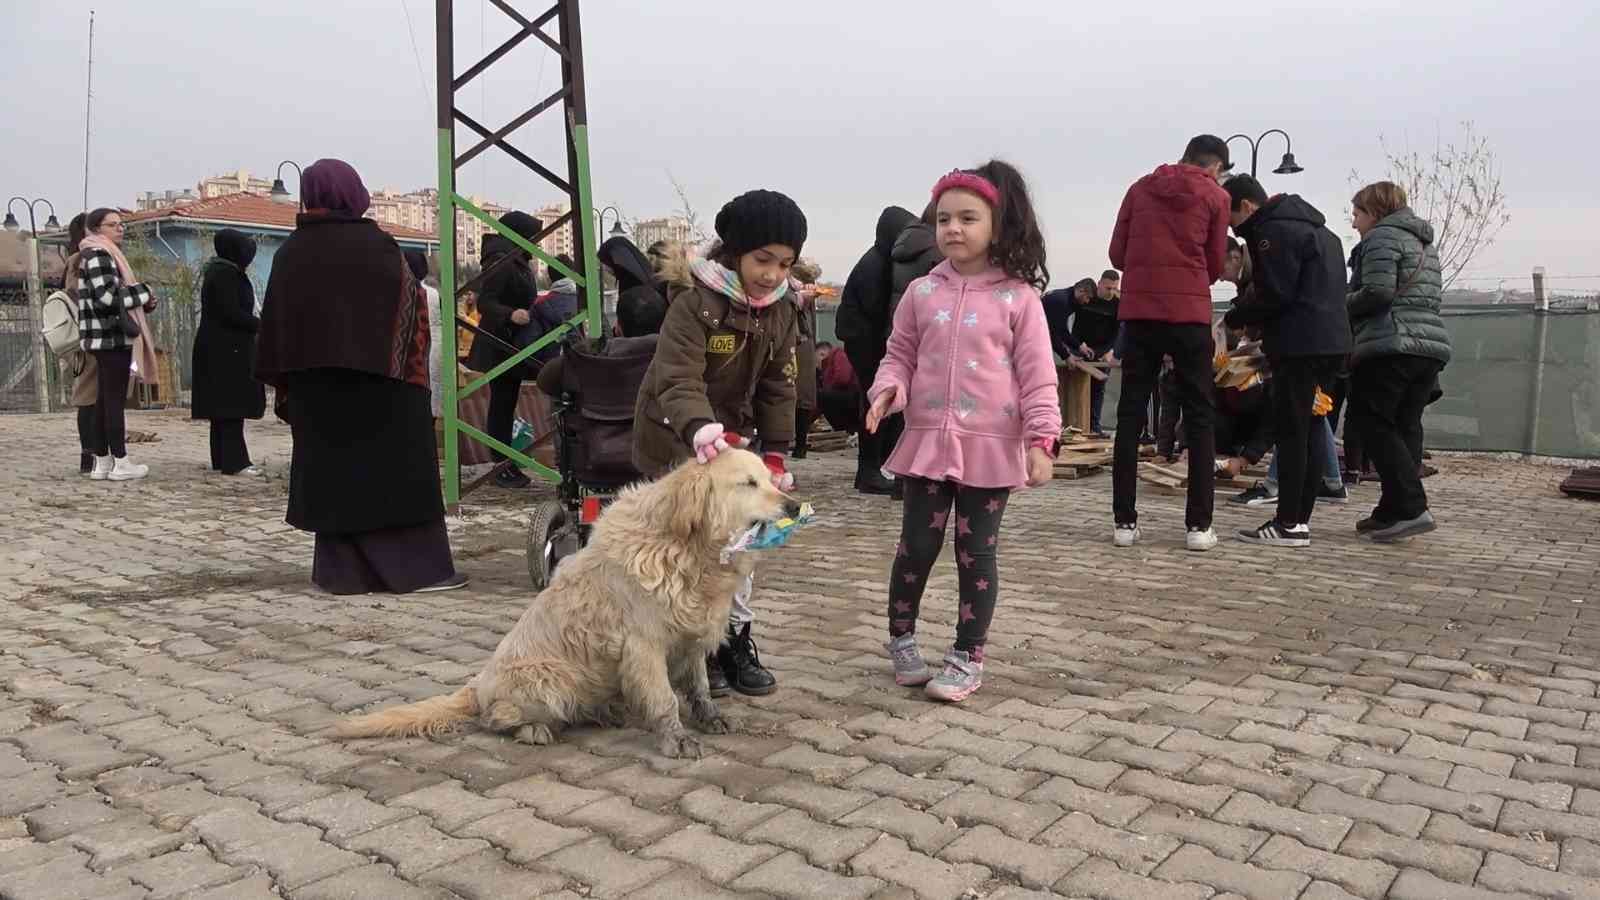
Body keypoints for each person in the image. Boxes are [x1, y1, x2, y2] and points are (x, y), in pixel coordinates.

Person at [866, 161, 1060, 703]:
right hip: (927, 441)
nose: (953, 228)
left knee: (977, 553)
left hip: (992, 450)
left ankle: (967, 655)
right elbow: (898, 355)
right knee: (915, 548)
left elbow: (1039, 376)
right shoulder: (921, 293)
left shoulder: (1020, 298)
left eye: (968, 218)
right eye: (944, 218)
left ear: (996, 224)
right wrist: (888, 390)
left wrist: (1042, 441)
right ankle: (901, 639)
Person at [256, 158, 466, 595]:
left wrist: (296, 380)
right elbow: (413, 319)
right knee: (395, 478)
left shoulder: (291, 253)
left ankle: (343, 574)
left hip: (318, 392)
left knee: (336, 478)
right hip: (385, 389)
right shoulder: (378, 247)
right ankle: (415, 572)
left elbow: (275, 327)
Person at [633, 188, 806, 698]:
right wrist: (701, 431)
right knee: (684, 553)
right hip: (675, 438)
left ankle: (732, 641)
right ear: (735, 253)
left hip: (734, 449)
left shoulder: (781, 309)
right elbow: (677, 379)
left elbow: (780, 385)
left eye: (785, 262)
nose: (773, 273)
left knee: (739, 549)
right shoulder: (693, 304)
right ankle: (682, 650)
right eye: (762, 259)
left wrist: (775, 451)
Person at [1107, 135, 1233, 550]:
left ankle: (1124, 523)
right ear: (1215, 166)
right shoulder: (1216, 196)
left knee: (1130, 414)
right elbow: (1215, 264)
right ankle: (1199, 526)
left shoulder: (1140, 188)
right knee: (1199, 415)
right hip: (1189, 316)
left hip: (1140, 312)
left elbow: (1117, 254)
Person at [1222, 176, 1352, 547]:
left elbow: (1275, 292)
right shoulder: (1322, 233)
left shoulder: (1272, 232)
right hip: (1331, 344)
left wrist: (1235, 317)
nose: (1235, 229)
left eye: (1233, 220)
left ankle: (1288, 522)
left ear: (1247, 206)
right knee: (1311, 429)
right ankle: (1298, 520)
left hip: (1299, 348)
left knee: (1292, 433)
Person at [1347, 181, 1451, 542]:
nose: (1354, 221)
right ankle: (1391, 510)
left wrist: (1336, 306)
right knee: (1406, 424)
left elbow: (1378, 292)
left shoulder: (1381, 238)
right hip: (1428, 347)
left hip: (1391, 344)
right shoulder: (1424, 243)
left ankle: (1410, 506)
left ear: (1374, 212)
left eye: (1358, 213)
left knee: (1370, 420)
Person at [838, 206, 918, 494]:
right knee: (878, 405)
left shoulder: (883, 261)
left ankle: (879, 468)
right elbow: (878, 313)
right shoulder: (875, 266)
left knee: (887, 407)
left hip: (869, 342)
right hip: (866, 344)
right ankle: (869, 471)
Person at [77, 207, 160, 482]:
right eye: (113, 225)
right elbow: (108, 298)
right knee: (113, 401)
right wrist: (144, 290)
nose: (120, 228)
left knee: (104, 401)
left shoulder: (100, 253)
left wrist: (140, 301)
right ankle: (121, 461)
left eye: (121, 224)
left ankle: (102, 461)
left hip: (106, 336)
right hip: (110, 337)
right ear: (97, 229)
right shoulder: (100, 254)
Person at [465, 211, 543, 489]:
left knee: (506, 403)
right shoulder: (503, 262)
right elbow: (486, 303)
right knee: (501, 405)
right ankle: (501, 465)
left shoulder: (517, 261)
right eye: (534, 237)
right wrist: (511, 314)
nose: (539, 243)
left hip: (511, 344)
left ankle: (506, 462)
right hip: (500, 344)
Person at [191, 229, 267, 475]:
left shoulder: (219, 271)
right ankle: (236, 461)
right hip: (227, 349)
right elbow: (231, 312)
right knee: (231, 404)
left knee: (222, 407)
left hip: (220, 346)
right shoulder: (225, 275)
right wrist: (262, 325)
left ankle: (221, 458)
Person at [58, 214, 101, 475]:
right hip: (87, 337)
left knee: (95, 398)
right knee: (88, 397)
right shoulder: (79, 260)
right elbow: (78, 294)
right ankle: (91, 455)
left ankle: (96, 453)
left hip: (91, 335)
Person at [1070, 270, 1121, 436]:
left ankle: (1094, 427)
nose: (1111, 292)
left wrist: (1107, 351)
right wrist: (1076, 347)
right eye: (1108, 288)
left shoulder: (1116, 304)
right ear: (1099, 284)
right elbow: (1076, 326)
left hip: (1102, 353)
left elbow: (1116, 333)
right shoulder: (1088, 298)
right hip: (1082, 349)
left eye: (1114, 288)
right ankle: (1076, 427)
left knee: (1098, 389)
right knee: (1078, 388)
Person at [789, 260, 822, 459]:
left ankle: (799, 443)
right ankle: (798, 443)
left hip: (801, 343)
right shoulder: (794, 290)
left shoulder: (805, 292)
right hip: (799, 344)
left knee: (801, 395)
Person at [814, 341, 861, 434]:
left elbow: (843, 378)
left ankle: (845, 429)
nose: (816, 364)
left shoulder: (838, 353)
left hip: (854, 398)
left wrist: (826, 390)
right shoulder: (825, 371)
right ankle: (845, 430)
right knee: (821, 396)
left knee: (820, 396)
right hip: (848, 399)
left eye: (815, 360)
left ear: (822, 354)